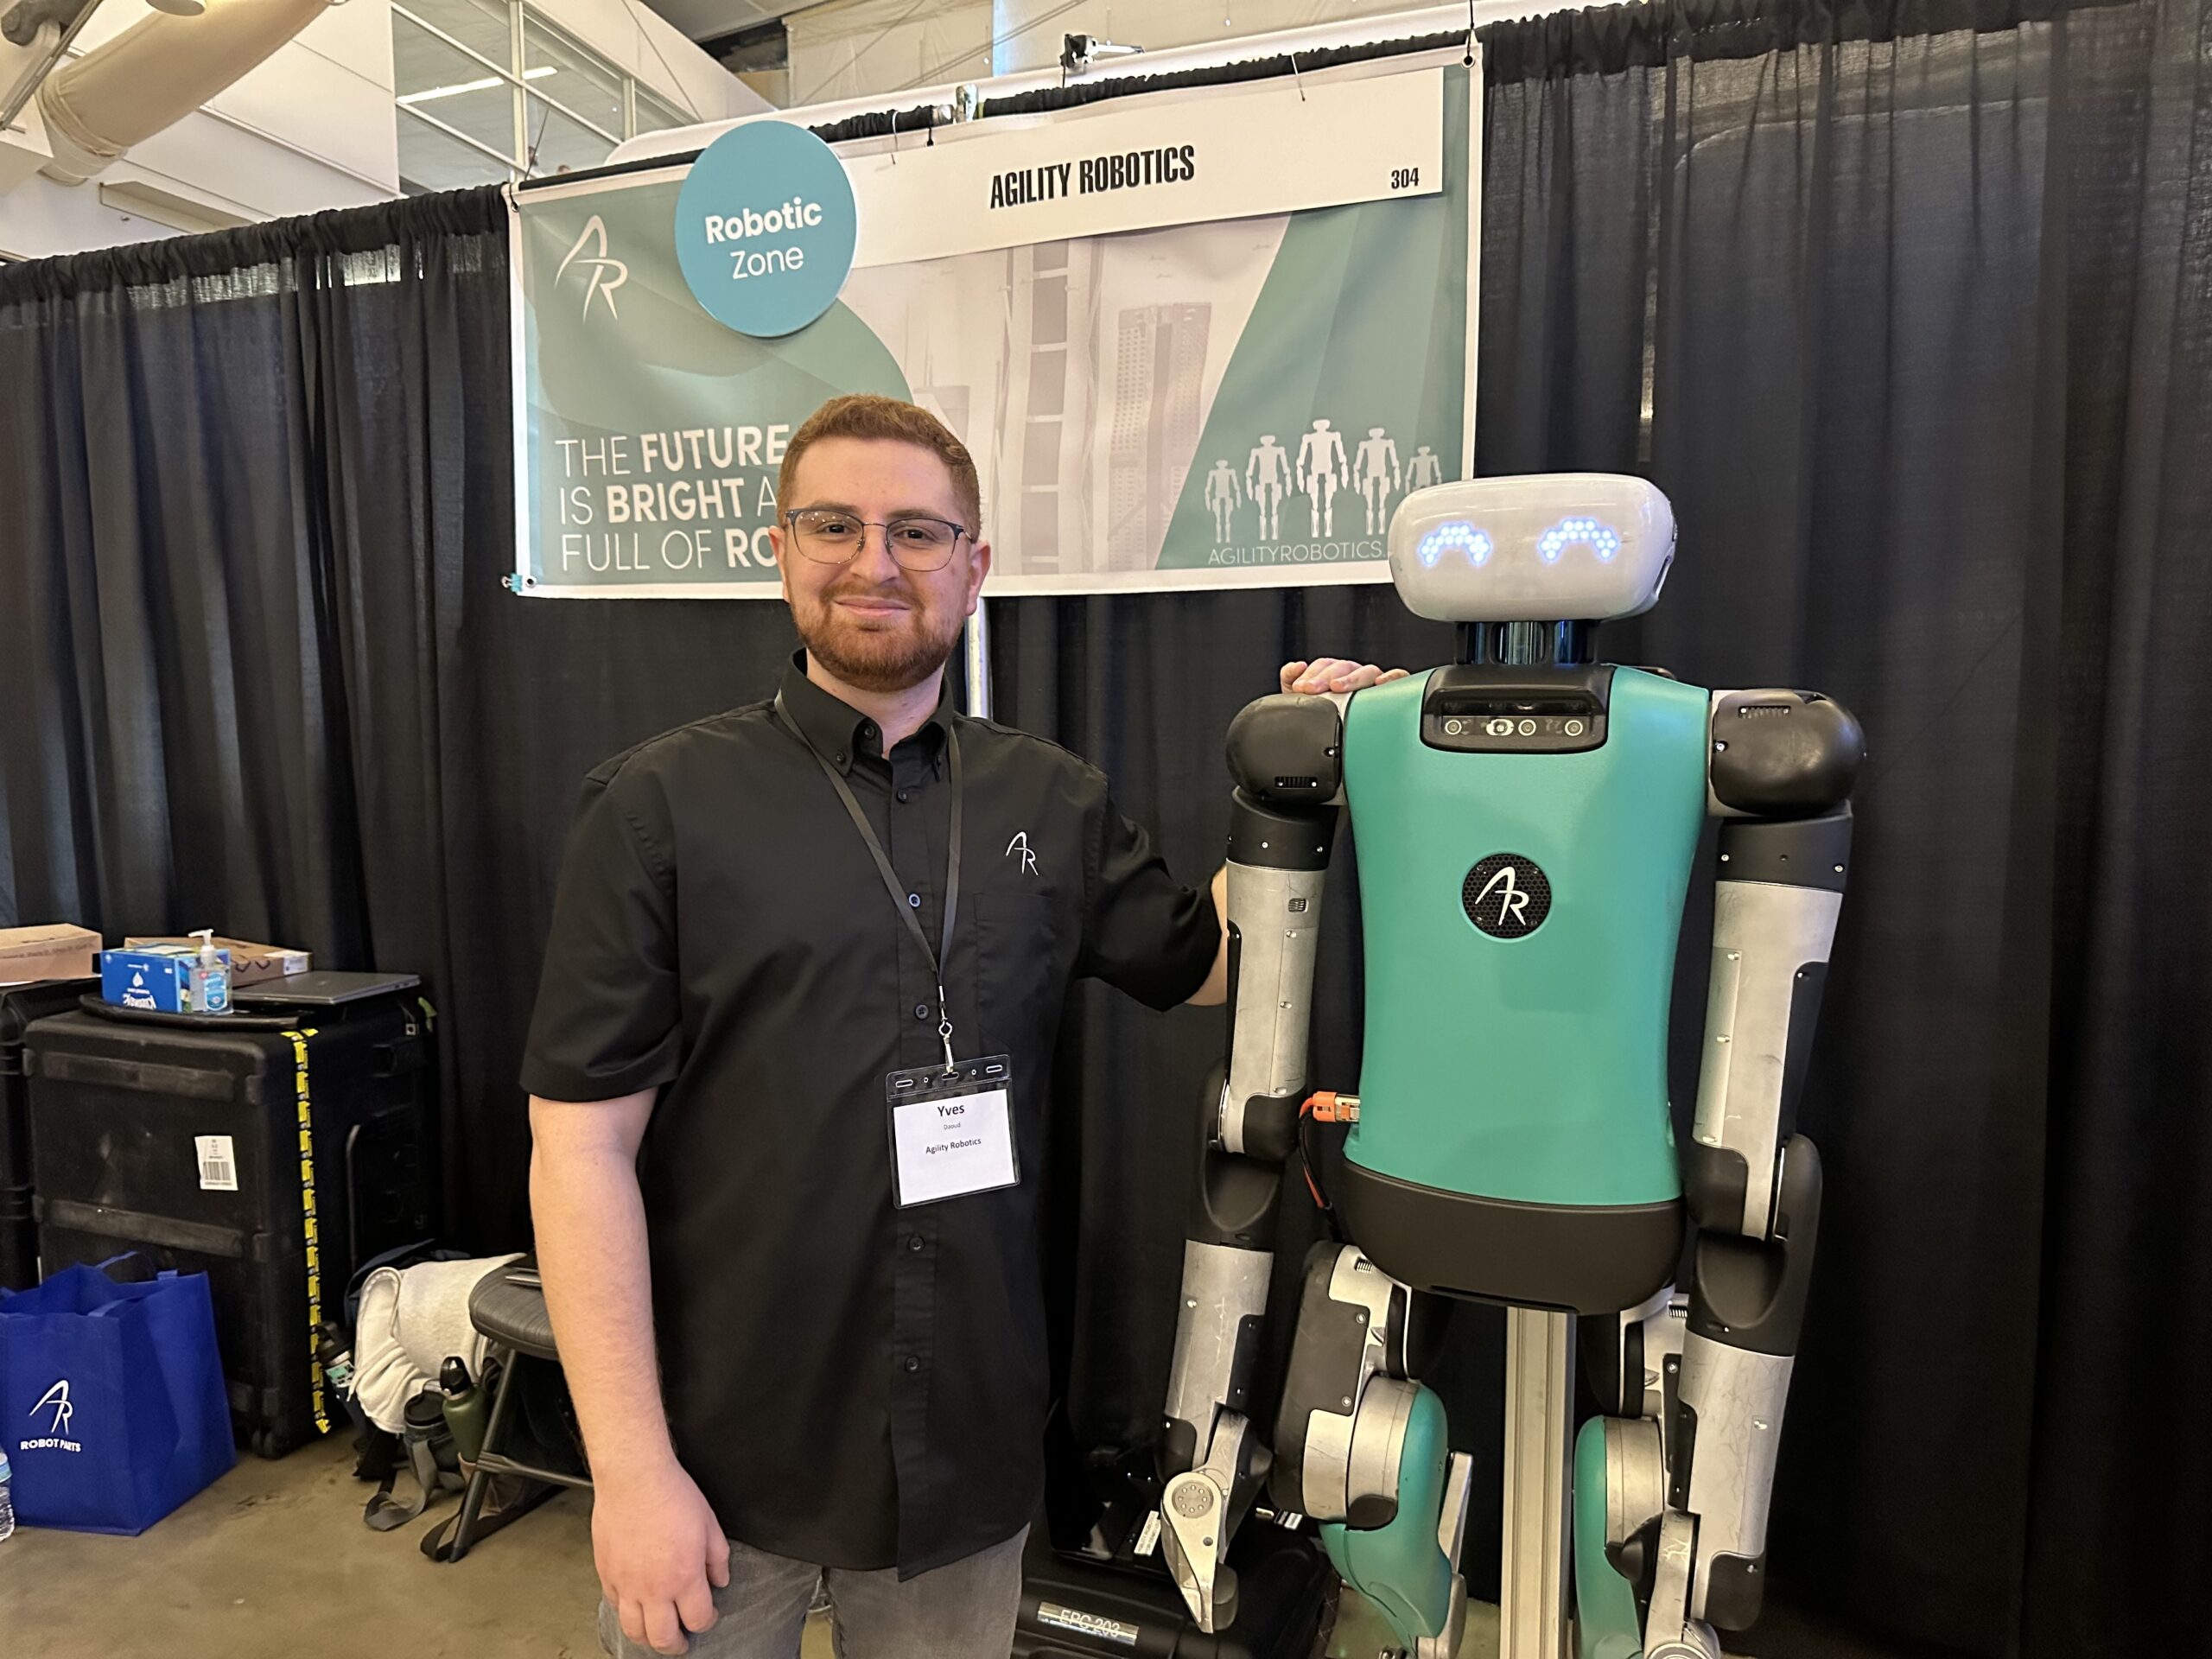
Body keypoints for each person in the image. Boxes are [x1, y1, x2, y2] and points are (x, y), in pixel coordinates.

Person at [521, 394, 1402, 1659]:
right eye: (836, 523)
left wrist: (1303, 784)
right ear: (779, 547)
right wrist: (632, 1471)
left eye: (919, 533)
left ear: (974, 566)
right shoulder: (660, 809)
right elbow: (580, 1151)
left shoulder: (1050, 797)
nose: (876, 561)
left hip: (966, 1462)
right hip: (717, 1465)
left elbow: (1208, 964)